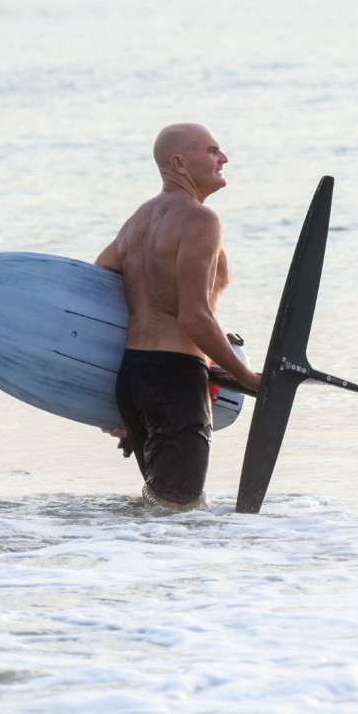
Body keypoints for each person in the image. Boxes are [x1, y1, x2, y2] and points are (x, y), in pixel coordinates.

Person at [95, 123, 262, 508]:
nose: (223, 158)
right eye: (212, 150)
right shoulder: (202, 221)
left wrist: (105, 396)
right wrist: (246, 377)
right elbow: (193, 316)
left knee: (162, 510)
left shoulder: (137, 221)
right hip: (175, 380)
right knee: (179, 514)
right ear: (179, 163)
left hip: (133, 380)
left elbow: (98, 283)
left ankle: (127, 563)